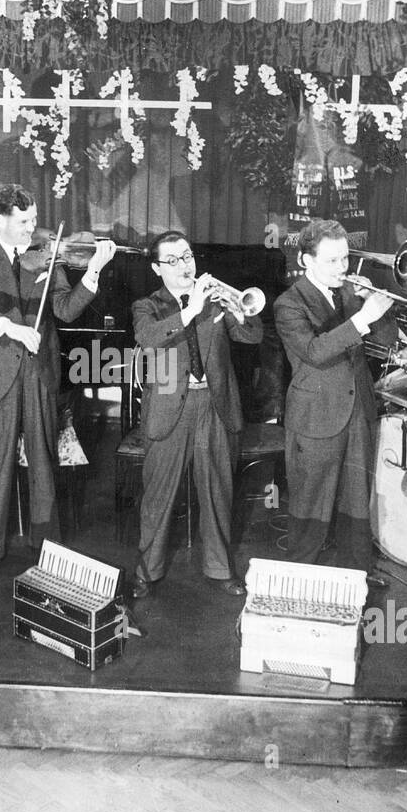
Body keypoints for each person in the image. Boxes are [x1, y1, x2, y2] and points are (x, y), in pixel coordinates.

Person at [0, 184, 115, 579]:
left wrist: (92, 272)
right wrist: (6, 324)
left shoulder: (45, 257)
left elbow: (65, 309)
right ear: (1, 221)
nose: (32, 228)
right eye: (24, 222)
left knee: (44, 461)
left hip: (39, 374)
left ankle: (48, 550)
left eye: (35, 221)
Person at [132, 231, 263, 598]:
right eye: (172, 260)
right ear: (158, 268)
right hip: (170, 408)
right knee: (159, 496)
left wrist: (239, 312)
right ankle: (147, 571)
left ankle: (220, 568)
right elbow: (148, 337)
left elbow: (252, 338)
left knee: (218, 491)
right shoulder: (148, 305)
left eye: (187, 257)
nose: (183, 265)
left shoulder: (216, 301)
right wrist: (189, 310)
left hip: (215, 406)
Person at [274, 219, 398, 570]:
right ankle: (299, 576)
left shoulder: (349, 293)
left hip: (357, 411)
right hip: (316, 417)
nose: (342, 268)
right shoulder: (289, 303)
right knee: (310, 506)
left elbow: (386, 343)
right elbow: (314, 351)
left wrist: (379, 307)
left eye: (345, 258)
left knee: (357, 503)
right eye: (332, 261)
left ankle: (357, 576)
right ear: (306, 261)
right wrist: (362, 319)